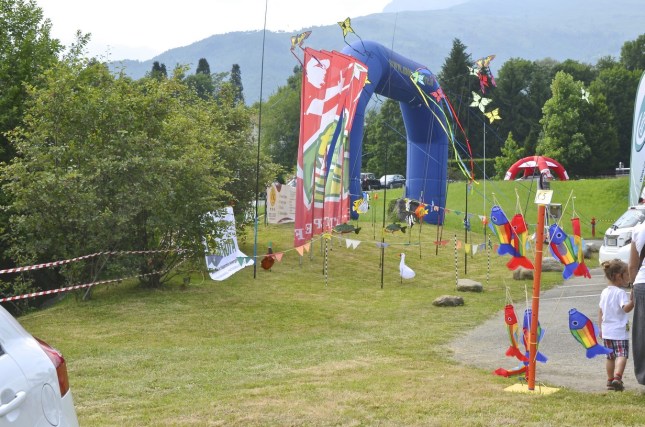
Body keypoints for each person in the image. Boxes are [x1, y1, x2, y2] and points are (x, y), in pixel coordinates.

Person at [599, 259, 634, 391]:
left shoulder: (604, 292)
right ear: (619, 276)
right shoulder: (620, 293)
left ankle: (609, 380)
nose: (628, 277)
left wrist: (600, 328)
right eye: (627, 275)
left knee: (610, 357)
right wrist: (633, 301)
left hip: (607, 331)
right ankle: (617, 378)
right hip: (619, 331)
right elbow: (626, 309)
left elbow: (600, 311)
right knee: (622, 354)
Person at [629, 220, 645, 386]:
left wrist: (633, 287)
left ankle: (643, 376)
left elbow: (632, 266)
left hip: (642, 284)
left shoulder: (638, 229)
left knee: (642, 333)